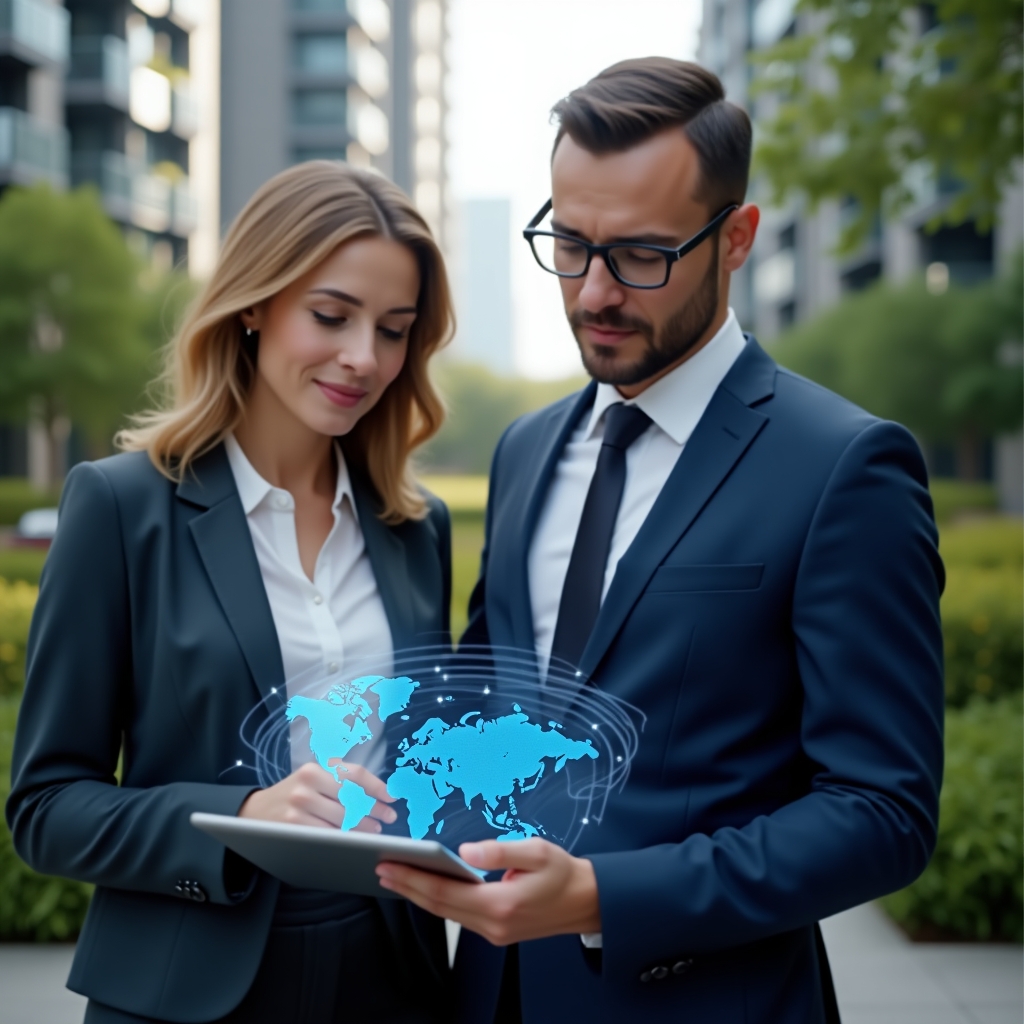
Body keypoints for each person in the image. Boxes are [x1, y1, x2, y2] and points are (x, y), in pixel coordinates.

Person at [374, 58, 945, 1024]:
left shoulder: (847, 466)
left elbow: (882, 813)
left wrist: (604, 898)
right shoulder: (524, 450)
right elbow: (486, 707)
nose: (594, 292)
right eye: (569, 243)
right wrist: (369, 787)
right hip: (490, 999)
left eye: (641, 255)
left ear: (738, 239)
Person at [6, 161, 455, 1024]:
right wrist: (244, 814)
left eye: (394, 330)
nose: (363, 358)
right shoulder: (121, 508)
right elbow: (47, 808)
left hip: (391, 981)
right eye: (331, 315)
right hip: (186, 990)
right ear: (254, 303)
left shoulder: (414, 529)